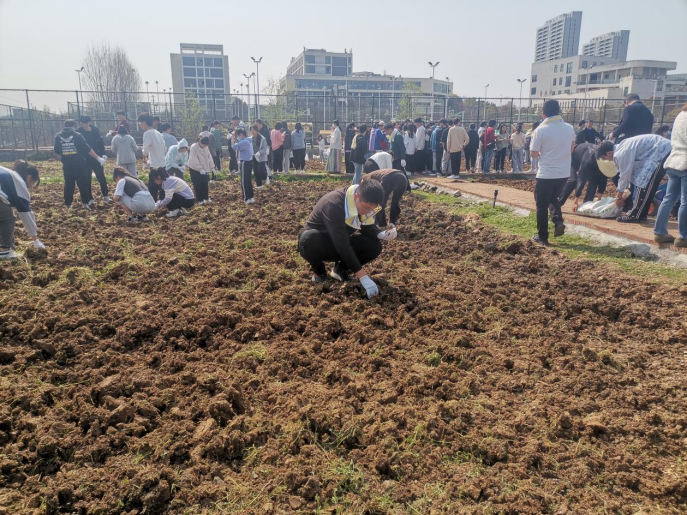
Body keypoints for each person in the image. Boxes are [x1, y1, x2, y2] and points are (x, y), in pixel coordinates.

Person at [298, 179, 395, 298]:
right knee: (309, 239)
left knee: (374, 245)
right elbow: (341, 243)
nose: (368, 212)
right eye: (366, 208)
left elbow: (367, 226)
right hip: (320, 244)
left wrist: (381, 234)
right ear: (356, 197)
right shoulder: (333, 204)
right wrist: (363, 276)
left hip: (342, 242)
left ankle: (340, 269)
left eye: (372, 209)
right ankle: (319, 272)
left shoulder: (364, 204)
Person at [530, 100, 575, 245]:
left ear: (544, 115)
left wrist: (544, 153)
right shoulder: (569, 128)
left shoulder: (540, 130)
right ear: (559, 112)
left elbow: (533, 154)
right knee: (553, 198)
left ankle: (542, 237)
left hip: (546, 173)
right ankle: (558, 220)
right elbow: (571, 149)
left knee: (541, 205)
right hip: (563, 173)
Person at [613, 134, 672, 223]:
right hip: (660, 151)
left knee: (645, 181)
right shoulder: (622, 147)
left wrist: (619, 196)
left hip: (661, 152)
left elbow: (625, 174)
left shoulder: (620, 153)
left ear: (608, 153)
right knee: (644, 182)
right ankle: (640, 215)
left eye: (604, 158)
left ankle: (635, 216)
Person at [54, 119, 106, 210]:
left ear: (64, 126)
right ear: (74, 126)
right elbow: (87, 149)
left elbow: (57, 151)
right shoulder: (77, 135)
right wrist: (98, 158)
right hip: (79, 164)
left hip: (67, 164)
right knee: (83, 184)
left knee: (69, 184)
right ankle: (85, 203)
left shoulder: (58, 137)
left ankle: (68, 204)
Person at [654, 103, 686, 246]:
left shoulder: (680, 115)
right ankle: (684, 236)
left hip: (673, 161)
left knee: (668, 199)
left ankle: (660, 232)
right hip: (685, 163)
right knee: (685, 202)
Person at [0, 163, 44, 260]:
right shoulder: (19, 183)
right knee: (7, 219)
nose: (31, 187)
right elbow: (26, 214)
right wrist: (35, 240)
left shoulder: (9, 173)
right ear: (29, 177)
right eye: (33, 183)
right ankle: (4, 251)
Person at [568, 142, 616, 213]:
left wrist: (599, 200)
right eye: (603, 158)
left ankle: (586, 205)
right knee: (573, 181)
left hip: (589, 163)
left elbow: (603, 179)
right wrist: (576, 201)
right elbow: (581, 179)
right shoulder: (590, 159)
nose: (608, 160)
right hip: (574, 159)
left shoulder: (609, 158)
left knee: (594, 181)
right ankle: (558, 203)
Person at [76, 115, 110, 203]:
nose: (84, 125)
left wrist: (103, 153)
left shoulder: (95, 131)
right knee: (87, 179)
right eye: (82, 123)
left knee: (101, 177)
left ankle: (106, 195)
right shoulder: (78, 132)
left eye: (86, 123)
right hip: (85, 159)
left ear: (89, 122)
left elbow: (100, 143)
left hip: (96, 158)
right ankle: (90, 198)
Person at [138, 112, 167, 202]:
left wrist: (144, 159)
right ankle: (163, 203)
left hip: (154, 166)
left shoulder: (147, 133)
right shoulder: (157, 133)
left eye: (140, 123)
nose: (140, 125)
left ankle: (153, 204)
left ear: (144, 122)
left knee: (153, 187)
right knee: (163, 186)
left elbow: (145, 150)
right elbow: (164, 149)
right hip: (162, 163)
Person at [188, 136, 215, 205]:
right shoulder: (194, 147)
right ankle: (200, 200)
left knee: (205, 183)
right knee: (198, 184)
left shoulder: (206, 147)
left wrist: (212, 167)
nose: (205, 146)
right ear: (200, 142)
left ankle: (206, 198)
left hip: (205, 168)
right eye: (204, 145)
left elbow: (209, 157)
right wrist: (200, 169)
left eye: (206, 145)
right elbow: (194, 159)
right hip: (194, 169)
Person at [231, 128, 255, 204]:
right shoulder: (248, 140)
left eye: (237, 136)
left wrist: (232, 139)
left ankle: (246, 198)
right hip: (249, 161)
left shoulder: (245, 142)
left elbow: (234, 147)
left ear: (241, 134)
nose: (237, 137)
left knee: (244, 181)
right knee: (248, 180)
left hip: (245, 162)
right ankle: (250, 197)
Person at [251, 124, 270, 189]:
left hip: (261, 157)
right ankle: (259, 185)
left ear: (257, 130)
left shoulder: (262, 139)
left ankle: (266, 177)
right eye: (251, 130)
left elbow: (264, 149)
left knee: (260, 169)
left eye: (253, 130)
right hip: (254, 156)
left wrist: (259, 153)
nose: (252, 131)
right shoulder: (250, 139)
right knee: (255, 171)